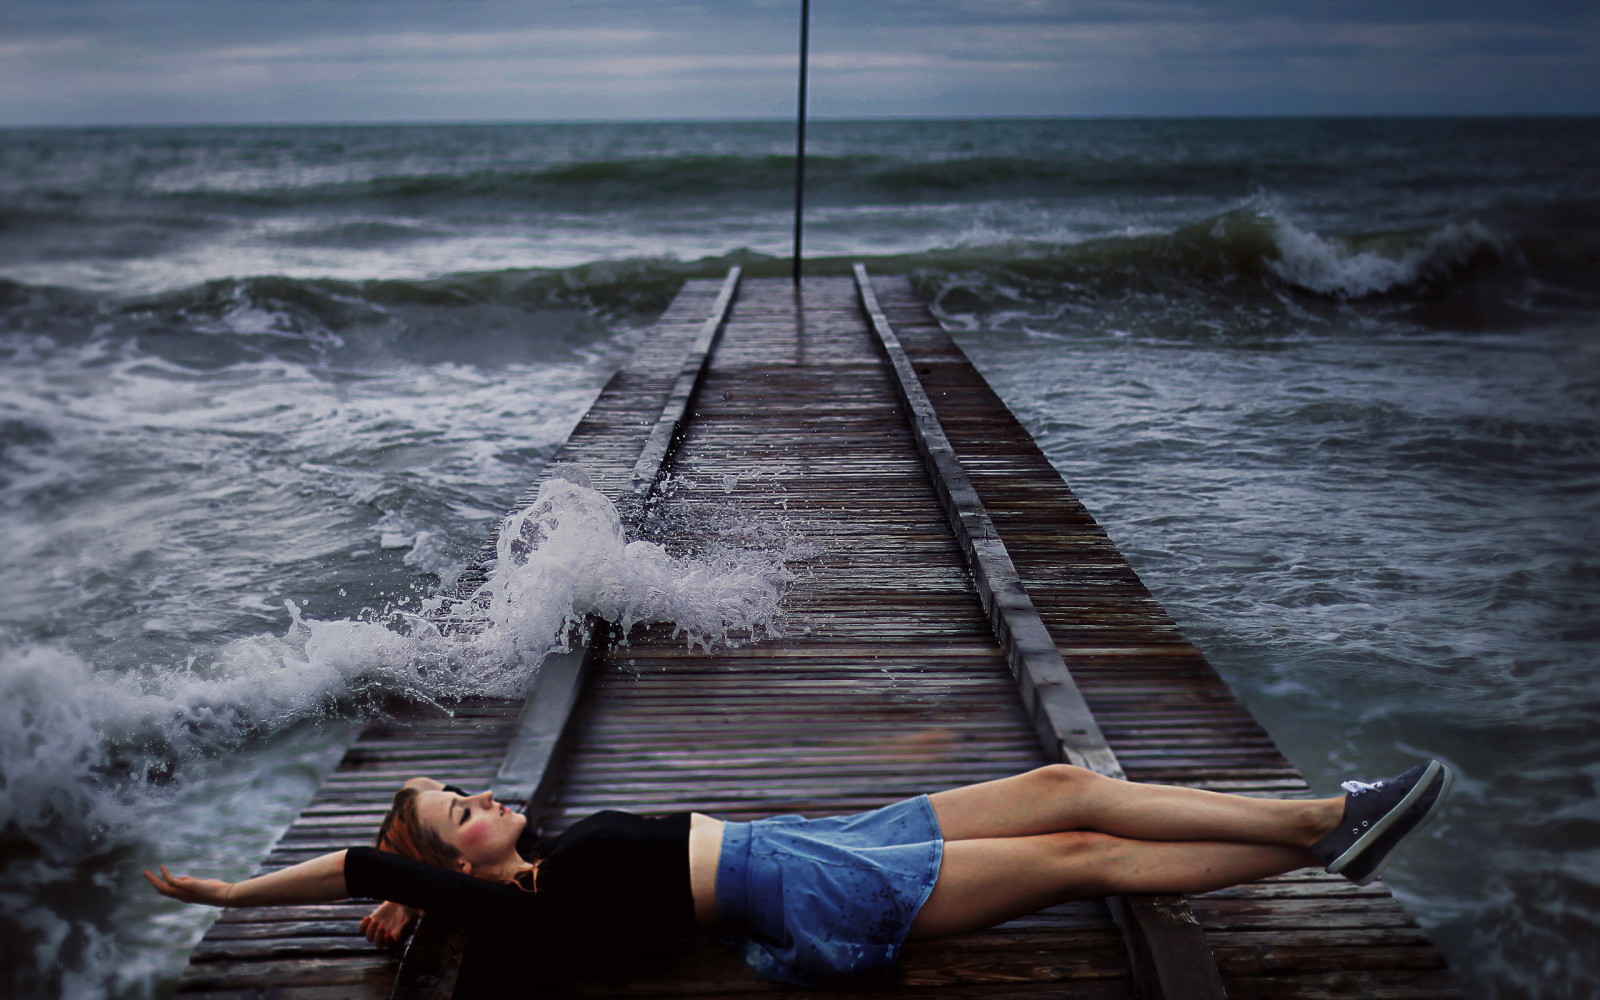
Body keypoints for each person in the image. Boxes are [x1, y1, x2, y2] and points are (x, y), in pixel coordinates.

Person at [145, 760, 1452, 991]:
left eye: (469, 789)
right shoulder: (525, 903)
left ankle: (1319, 823)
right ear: (453, 867)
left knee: (1059, 786)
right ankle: (1327, 828)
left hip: (825, 834)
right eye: (460, 811)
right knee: (1084, 858)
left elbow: (400, 875)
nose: (482, 799)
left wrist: (417, 897)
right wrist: (224, 899)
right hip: (822, 893)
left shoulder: (538, 862)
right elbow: (372, 861)